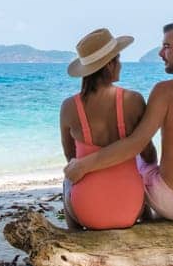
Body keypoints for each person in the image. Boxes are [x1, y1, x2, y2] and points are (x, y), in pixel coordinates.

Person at [65, 19, 173, 223]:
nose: (161, 54)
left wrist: (82, 166)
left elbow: (134, 145)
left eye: (166, 47)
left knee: (136, 162)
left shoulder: (165, 91)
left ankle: (137, 218)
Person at [60, 27, 157, 230]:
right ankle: (147, 222)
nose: (120, 65)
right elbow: (148, 154)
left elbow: (71, 158)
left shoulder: (69, 107)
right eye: (118, 60)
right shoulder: (133, 100)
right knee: (140, 169)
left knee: (67, 181)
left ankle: (74, 235)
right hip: (130, 209)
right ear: (109, 65)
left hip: (87, 211)